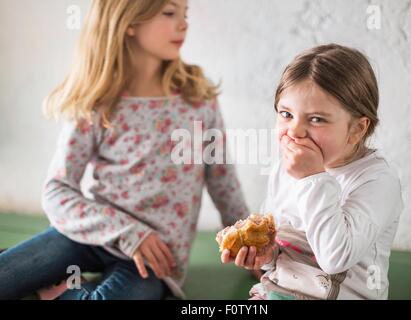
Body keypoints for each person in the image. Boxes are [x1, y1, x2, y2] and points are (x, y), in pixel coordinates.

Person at [0, 0, 249, 300]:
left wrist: (248, 243)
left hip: (153, 259)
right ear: (129, 22)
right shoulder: (99, 102)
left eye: (186, 14)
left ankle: (55, 291)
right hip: (90, 237)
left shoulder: (197, 96)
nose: (184, 24)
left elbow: (222, 180)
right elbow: (56, 191)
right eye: (170, 13)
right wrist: (130, 232)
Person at [221, 44, 403, 300]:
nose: (294, 131)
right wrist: (268, 255)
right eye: (286, 114)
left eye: (316, 119)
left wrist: (311, 178)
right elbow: (285, 247)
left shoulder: (376, 181)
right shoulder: (283, 169)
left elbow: (335, 258)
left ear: (358, 129)